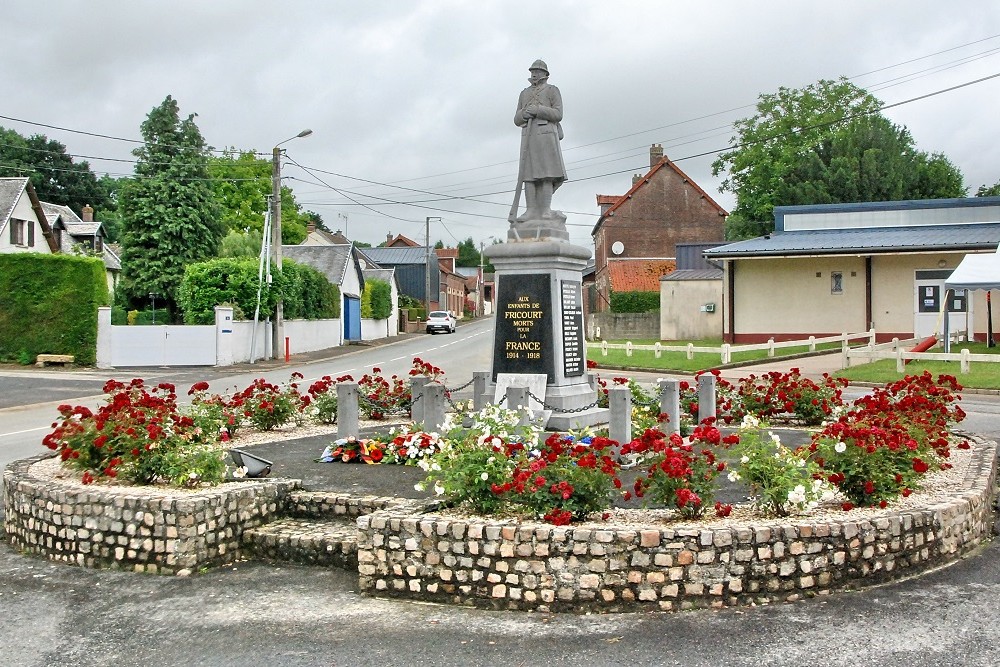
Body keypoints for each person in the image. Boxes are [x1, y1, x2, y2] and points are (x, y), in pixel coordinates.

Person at [512, 59, 567, 223]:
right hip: (528, 137)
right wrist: (524, 114)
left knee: (546, 174)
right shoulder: (524, 93)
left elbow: (558, 114)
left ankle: (545, 210)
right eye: (532, 71)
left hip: (546, 135)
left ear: (545, 74)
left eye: (537, 71)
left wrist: (538, 110)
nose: (534, 73)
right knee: (528, 175)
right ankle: (530, 210)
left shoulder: (552, 91)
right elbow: (516, 119)